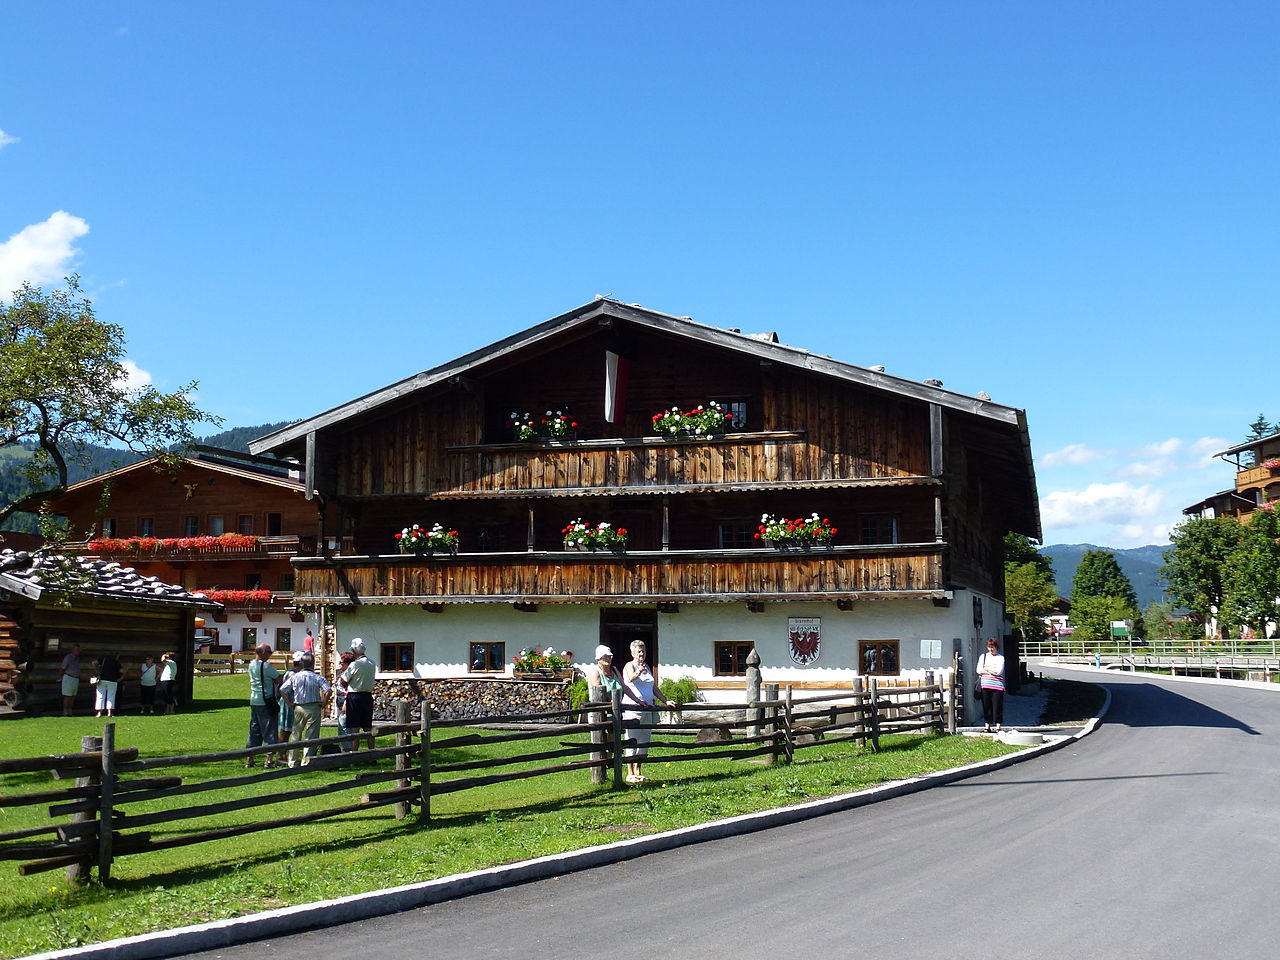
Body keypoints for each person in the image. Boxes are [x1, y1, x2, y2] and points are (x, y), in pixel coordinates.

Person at [620, 639, 679, 784]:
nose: (641, 653)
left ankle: (639, 770)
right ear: (633, 652)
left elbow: (653, 687)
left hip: (648, 708)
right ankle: (630, 772)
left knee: (644, 739)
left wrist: (665, 700)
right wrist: (638, 671)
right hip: (633, 709)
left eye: (643, 651)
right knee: (631, 739)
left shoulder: (647, 666)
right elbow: (630, 679)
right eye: (639, 651)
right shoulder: (629, 665)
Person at [280, 653, 331, 767]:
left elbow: (282, 689)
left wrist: (289, 703)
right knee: (311, 735)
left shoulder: (295, 676)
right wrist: (324, 702)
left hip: (298, 707)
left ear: (302, 664)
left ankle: (292, 761)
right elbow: (329, 690)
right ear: (313, 664)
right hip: (313, 707)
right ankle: (307, 761)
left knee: (295, 734)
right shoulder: (318, 677)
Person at [245, 643, 281, 768]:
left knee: (255, 730)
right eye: (269, 652)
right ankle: (269, 760)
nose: (270, 654)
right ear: (263, 652)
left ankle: (250, 759)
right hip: (266, 701)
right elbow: (278, 678)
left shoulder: (251, 665)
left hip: (254, 700)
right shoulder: (265, 666)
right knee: (270, 729)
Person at [340, 638, 376, 751]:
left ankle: (354, 753)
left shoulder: (355, 664)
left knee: (354, 727)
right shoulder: (372, 663)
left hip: (354, 696)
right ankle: (372, 753)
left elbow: (343, 680)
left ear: (355, 651)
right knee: (367, 727)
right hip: (367, 696)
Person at [977, 637, 1006, 733]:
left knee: (997, 706)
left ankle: (998, 725)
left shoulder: (1000, 658)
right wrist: (990, 671)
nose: (990, 649)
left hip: (997, 685)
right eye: (989, 647)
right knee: (986, 706)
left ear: (996, 647)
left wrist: (987, 669)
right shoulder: (983, 656)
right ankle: (987, 725)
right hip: (985, 685)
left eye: (992, 647)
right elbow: (979, 670)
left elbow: (998, 672)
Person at [93, 652, 123, 718]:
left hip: (102, 679)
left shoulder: (103, 659)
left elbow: (94, 663)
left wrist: (97, 671)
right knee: (111, 696)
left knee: (100, 696)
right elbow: (121, 671)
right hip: (112, 680)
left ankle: (99, 713)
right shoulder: (116, 662)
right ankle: (110, 712)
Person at [60, 643, 82, 716]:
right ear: (73, 650)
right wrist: (63, 676)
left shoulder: (78, 659)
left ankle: (70, 710)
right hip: (68, 677)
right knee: (67, 695)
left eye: (79, 650)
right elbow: (62, 668)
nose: (78, 651)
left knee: (73, 696)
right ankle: (65, 711)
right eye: (76, 650)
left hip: (76, 678)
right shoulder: (68, 657)